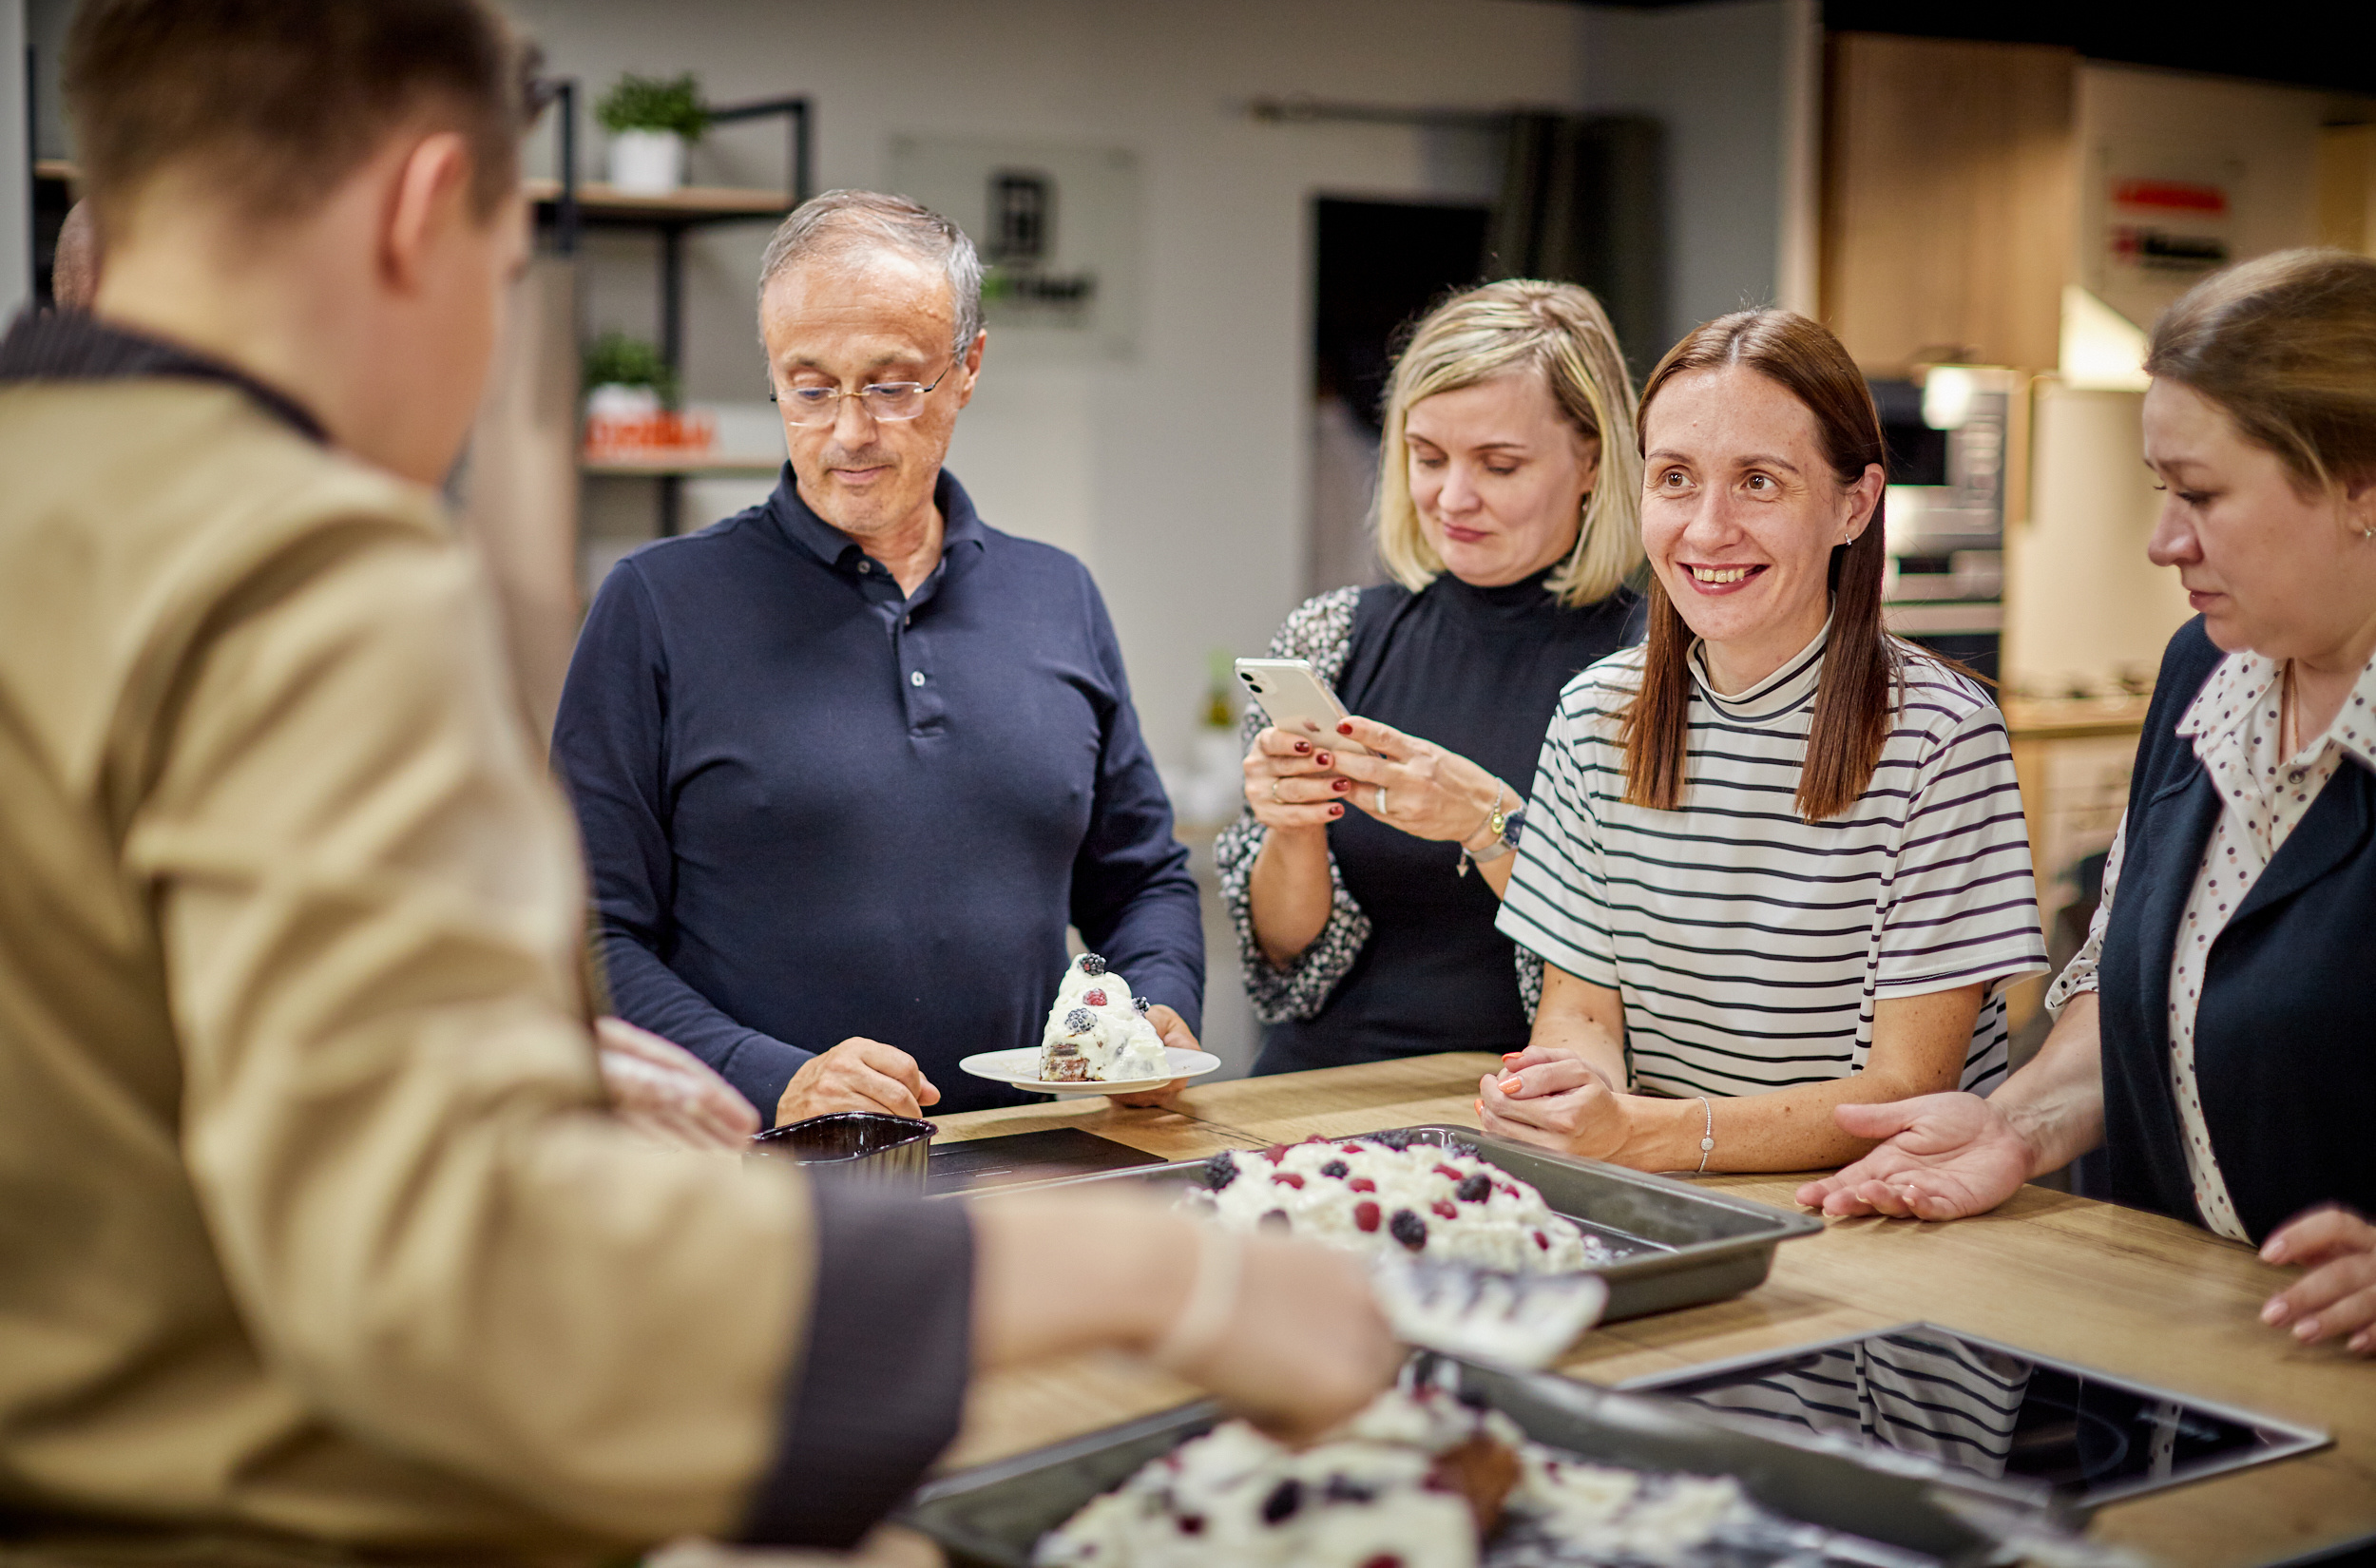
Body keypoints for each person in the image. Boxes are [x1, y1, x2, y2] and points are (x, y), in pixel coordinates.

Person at [0, 0, 1396, 1559]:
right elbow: (455, 1275)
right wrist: (1170, 1281)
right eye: (510, 275)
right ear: (419, 212)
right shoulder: (306, 573)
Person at [1798, 249, 2376, 1358]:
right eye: (2162, 490)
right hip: (2167, 1344)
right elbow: (2137, 980)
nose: (2164, 539)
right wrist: (2014, 1123)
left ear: (2360, 484)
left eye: (2199, 494)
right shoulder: (2204, 674)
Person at [552, 191, 1202, 1122]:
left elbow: (1139, 877)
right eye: (809, 388)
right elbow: (586, 935)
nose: (849, 431)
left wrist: (1156, 1007)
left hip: (1030, 1160)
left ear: (968, 367)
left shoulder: (1058, 597)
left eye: (892, 386)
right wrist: (772, 1073)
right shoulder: (654, 606)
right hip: (763, 1180)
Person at [1480, 309, 2049, 1172]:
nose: (1707, 530)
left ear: (1853, 504)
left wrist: (1645, 1133)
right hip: (1666, 1193)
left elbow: (1907, 1089)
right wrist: (1571, 1094)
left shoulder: (1943, 738)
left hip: (1873, 1211)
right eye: (1675, 477)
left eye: (1758, 481)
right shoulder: (1595, 714)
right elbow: (1584, 1015)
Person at [1217, 280, 1646, 1072]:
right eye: (1428, 457)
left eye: (1500, 464)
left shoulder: (1647, 669)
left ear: (1592, 458)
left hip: (1518, 1101)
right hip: (1311, 1092)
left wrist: (1488, 822)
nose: (1453, 498)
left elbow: (1646, 965)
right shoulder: (1332, 635)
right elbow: (1283, 955)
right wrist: (1293, 825)